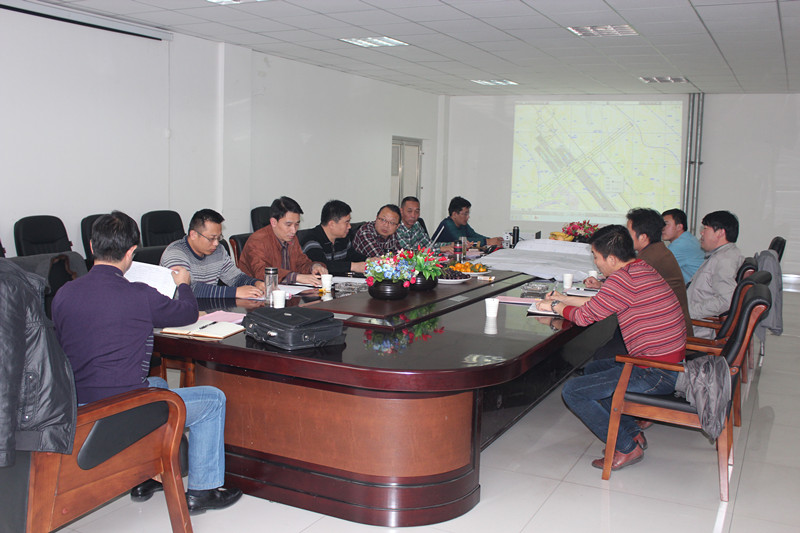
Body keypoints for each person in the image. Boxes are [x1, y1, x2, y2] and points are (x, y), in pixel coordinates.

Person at [52, 211, 242, 514]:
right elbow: (186, 313)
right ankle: (203, 491)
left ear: (91, 246)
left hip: (78, 406)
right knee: (213, 400)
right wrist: (183, 284)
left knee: (158, 384)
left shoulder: (64, 294)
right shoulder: (138, 293)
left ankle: (147, 473)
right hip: (122, 409)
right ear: (131, 252)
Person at [537, 225, 686, 471]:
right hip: (666, 364)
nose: (596, 263)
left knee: (573, 391)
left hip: (657, 372)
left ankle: (626, 447)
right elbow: (601, 301)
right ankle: (632, 433)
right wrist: (562, 299)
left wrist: (554, 308)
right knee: (595, 369)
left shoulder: (623, 280)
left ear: (612, 259)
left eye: (596, 257)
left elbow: (584, 317)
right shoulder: (639, 268)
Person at [160, 208, 265, 299]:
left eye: (219, 238)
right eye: (211, 238)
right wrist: (235, 292)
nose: (216, 243)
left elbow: (235, 278)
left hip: (208, 309)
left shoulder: (218, 250)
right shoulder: (175, 253)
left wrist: (255, 283)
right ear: (193, 235)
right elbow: (188, 289)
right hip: (179, 311)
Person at [239, 196, 328, 286]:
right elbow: (261, 272)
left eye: (296, 224)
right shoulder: (257, 240)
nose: (293, 230)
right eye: (288, 225)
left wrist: (314, 267)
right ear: (273, 222)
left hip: (286, 290)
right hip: (256, 292)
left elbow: (301, 263)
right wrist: (295, 277)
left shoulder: (292, 239)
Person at [687, 210, 744, 337]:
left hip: (698, 328)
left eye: (705, 229)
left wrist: (687, 311)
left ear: (720, 233)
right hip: (694, 322)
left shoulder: (724, 260)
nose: (701, 233)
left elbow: (726, 300)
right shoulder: (725, 254)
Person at [300, 200, 367, 275]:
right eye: (346, 222)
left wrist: (368, 260)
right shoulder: (311, 240)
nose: (349, 226)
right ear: (332, 224)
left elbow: (353, 256)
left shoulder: (343, 237)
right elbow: (323, 265)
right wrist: (353, 266)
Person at [433, 196, 503, 248]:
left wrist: (491, 239)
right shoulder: (447, 224)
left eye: (468, 214)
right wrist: (487, 241)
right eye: (465, 214)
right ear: (454, 214)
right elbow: (462, 241)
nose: (468, 217)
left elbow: (474, 235)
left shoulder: (462, 224)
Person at [662, 208, 704, 283]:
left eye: (666, 224)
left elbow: (657, 267)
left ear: (679, 227)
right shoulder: (688, 239)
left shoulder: (681, 244)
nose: (662, 228)